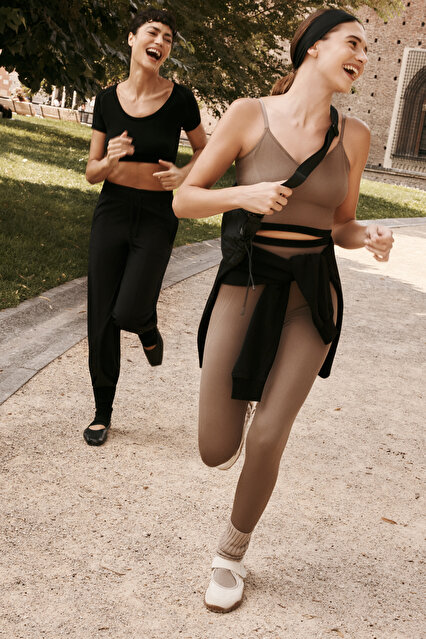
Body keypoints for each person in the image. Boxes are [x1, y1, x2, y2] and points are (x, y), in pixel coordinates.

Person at [173, 8, 394, 612]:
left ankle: (230, 556)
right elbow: (184, 199)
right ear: (314, 47)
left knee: (270, 434)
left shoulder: (354, 135)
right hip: (248, 282)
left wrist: (368, 236)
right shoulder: (250, 114)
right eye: (353, 43)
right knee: (216, 448)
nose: (363, 57)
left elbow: (342, 225)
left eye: (367, 49)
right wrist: (244, 193)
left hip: (312, 290)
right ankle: (243, 403)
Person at [83, 6, 207, 446]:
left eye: (168, 38)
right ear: (132, 39)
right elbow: (91, 172)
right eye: (153, 32)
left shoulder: (181, 99)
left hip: (157, 214)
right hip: (113, 208)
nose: (161, 42)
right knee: (102, 313)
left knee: (130, 312)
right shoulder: (105, 100)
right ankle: (102, 411)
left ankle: (147, 328)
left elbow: (206, 151)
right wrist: (108, 160)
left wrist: (185, 174)